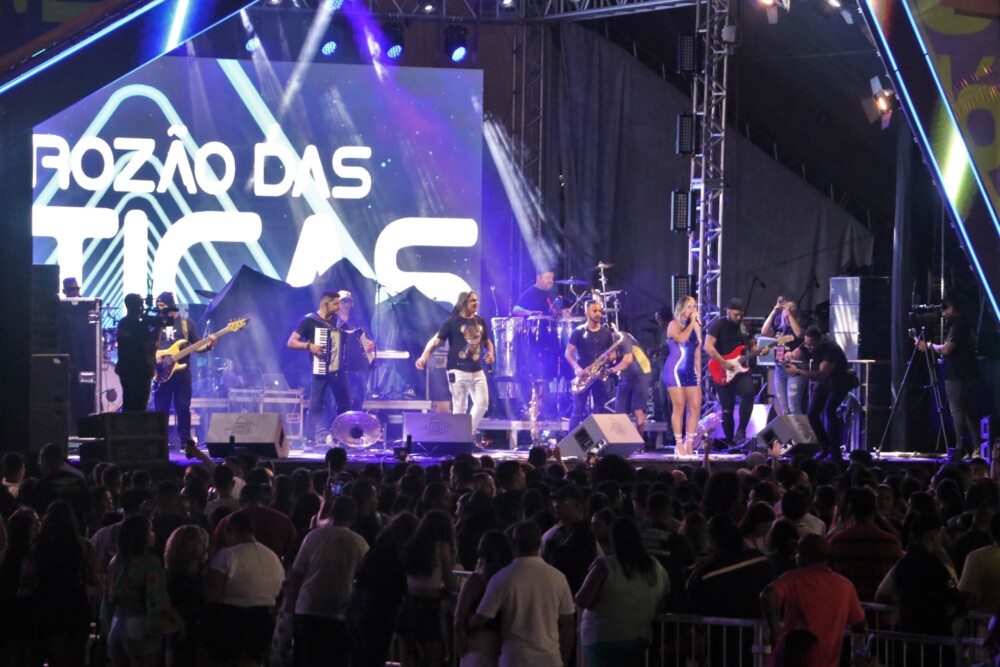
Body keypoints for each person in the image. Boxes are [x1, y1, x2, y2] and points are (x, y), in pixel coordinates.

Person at [468, 520, 576, 667]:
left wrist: (464, 622)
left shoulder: (502, 577)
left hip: (514, 658)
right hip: (549, 659)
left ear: (513, 544)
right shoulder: (558, 577)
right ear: (539, 544)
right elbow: (568, 623)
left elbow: (481, 619)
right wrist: (564, 658)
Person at [284, 496, 369, 667]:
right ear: (353, 517)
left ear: (331, 513)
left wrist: (290, 606)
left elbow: (297, 575)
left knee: (306, 659)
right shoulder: (359, 542)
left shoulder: (313, 536)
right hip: (339, 610)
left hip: (307, 607)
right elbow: (366, 577)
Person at [761, 533, 866, 667]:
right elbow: (859, 624)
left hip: (796, 659)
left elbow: (768, 595)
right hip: (829, 662)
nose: (796, 557)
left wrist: (775, 631)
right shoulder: (845, 585)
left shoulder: (794, 578)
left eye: (798, 553)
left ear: (805, 556)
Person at [576, 517, 669, 667]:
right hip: (640, 636)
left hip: (603, 637)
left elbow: (582, 599)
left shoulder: (606, 566)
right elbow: (662, 598)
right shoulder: (655, 567)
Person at [415, 291, 495, 433]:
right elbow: (435, 342)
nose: (476, 303)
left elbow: (487, 343)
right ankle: (461, 438)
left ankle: (466, 433)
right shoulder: (451, 321)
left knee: (482, 404)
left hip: (477, 370)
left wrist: (491, 354)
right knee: (460, 407)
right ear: (463, 303)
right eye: (472, 301)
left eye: (477, 300)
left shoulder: (480, 321)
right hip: (457, 370)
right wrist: (424, 357)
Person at [101, 514, 172, 667]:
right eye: (150, 530)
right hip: (140, 624)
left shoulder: (114, 562)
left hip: (116, 623)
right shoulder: (150, 562)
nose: (153, 534)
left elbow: (106, 599)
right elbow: (157, 599)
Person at [917, 296, 980, 459]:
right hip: (965, 373)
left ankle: (960, 449)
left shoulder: (958, 325)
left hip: (958, 375)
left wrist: (928, 345)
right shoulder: (964, 323)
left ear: (952, 307)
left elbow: (946, 349)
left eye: (945, 309)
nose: (943, 313)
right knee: (966, 411)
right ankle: (975, 447)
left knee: (957, 411)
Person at [288, 291, 351, 447]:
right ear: (325, 304)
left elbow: (352, 339)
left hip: (338, 370)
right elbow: (291, 342)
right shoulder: (309, 321)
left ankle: (341, 437)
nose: (339, 307)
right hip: (320, 369)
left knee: (344, 404)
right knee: (316, 404)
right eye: (335, 304)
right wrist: (309, 346)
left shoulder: (339, 323)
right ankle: (309, 439)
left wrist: (367, 344)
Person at [784, 325, 856, 462]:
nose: (809, 348)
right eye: (807, 344)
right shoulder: (807, 343)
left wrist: (798, 371)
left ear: (820, 340)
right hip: (825, 381)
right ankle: (824, 448)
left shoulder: (831, 348)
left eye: (812, 345)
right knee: (812, 414)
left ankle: (835, 451)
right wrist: (789, 356)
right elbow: (797, 352)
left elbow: (822, 374)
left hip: (839, 380)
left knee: (830, 411)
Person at [152, 292, 215, 445]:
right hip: (161, 371)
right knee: (161, 408)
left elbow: (197, 346)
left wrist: (210, 345)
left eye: (162, 305)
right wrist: (154, 355)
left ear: (171, 306)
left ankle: (185, 442)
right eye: (157, 306)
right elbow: (145, 345)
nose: (159, 309)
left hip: (182, 373)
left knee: (183, 407)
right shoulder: (154, 323)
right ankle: (160, 441)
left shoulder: (187, 324)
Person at [704, 297, 768, 445]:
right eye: (735, 314)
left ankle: (741, 431)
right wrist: (723, 362)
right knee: (727, 408)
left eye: (741, 314)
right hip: (722, 369)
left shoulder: (745, 327)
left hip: (740, 370)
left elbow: (752, 346)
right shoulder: (718, 325)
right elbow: (708, 346)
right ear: (727, 311)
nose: (739, 317)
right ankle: (729, 442)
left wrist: (761, 351)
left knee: (749, 393)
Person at [454, 530, 515, 667]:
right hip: (505, 645)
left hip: (478, 643)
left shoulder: (475, 582)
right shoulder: (511, 580)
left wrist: (461, 644)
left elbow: (459, 619)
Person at [565, 299, 616, 431]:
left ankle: (595, 438)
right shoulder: (578, 332)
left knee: (599, 409)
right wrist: (577, 368)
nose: (598, 313)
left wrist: (611, 357)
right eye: (595, 311)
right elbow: (568, 353)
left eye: (600, 311)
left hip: (599, 375)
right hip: (583, 375)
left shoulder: (606, 332)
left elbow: (612, 352)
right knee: (578, 409)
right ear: (586, 313)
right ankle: (570, 440)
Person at [663, 296, 703, 455]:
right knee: (679, 407)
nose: (693, 310)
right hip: (675, 370)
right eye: (689, 307)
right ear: (681, 309)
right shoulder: (673, 325)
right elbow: (681, 338)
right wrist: (692, 323)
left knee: (695, 407)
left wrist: (699, 373)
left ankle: (689, 443)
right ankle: (679, 444)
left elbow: (697, 352)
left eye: (695, 306)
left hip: (690, 371)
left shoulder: (696, 327)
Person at [761, 296, 805, 416]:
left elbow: (799, 334)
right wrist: (774, 312)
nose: (787, 310)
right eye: (786, 308)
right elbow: (764, 332)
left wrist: (789, 313)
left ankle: (800, 428)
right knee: (784, 409)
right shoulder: (779, 328)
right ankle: (788, 429)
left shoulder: (798, 327)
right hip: (780, 369)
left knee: (794, 407)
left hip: (795, 369)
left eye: (791, 308)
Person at [115, 294, 159, 412]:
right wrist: (158, 331)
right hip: (140, 371)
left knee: (128, 404)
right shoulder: (138, 325)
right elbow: (150, 347)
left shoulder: (123, 323)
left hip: (126, 370)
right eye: (140, 304)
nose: (142, 307)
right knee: (140, 406)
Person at [336, 290, 376, 411]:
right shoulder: (332, 321)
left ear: (351, 303)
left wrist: (371, 344)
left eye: (348, 301)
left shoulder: (358, 321)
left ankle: (356, 413)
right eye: (343, 301)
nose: (345, 304)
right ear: (337, 303)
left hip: (356, 364)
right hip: (337, 364)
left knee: (359, 391)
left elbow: (370, 339)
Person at [611, 331, 653, 437]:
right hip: (626, 375)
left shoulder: (622, 337)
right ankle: (623, 440)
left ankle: (640, 441)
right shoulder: (608, 343)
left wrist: (611, 370)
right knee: (619, 409)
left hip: (641, 373)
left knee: (637, 408)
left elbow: (628, 360)